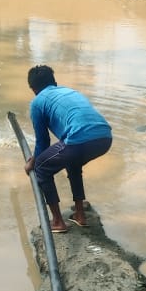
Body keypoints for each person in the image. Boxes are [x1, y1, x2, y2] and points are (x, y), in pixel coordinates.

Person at [24, 65, 113, 232]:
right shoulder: (71, 92)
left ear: (33, 89)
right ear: (55, 82)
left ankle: (57, 221)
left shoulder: (37, 102)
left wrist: (32, 162)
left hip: (80, 139)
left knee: (42, 167)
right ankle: (80, 215)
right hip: (105, 137)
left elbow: (42, 142)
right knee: (73, 163)